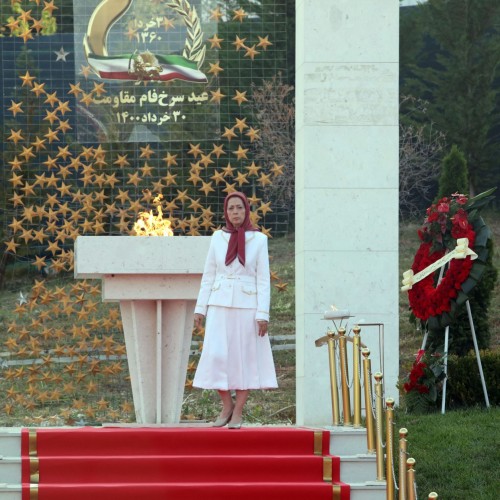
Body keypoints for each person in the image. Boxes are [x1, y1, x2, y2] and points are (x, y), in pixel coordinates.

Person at [193, 191, 278, 429]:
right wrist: (200, 309)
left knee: (245, 359)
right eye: (231, 208)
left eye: (239, 208)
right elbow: (208, 275)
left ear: (246, 210)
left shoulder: (258, 240)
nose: (235, 212)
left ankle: (238, 410)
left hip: (247, 306)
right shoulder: (217, 238)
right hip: (219, 304)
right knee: (216, 355)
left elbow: (263, 280)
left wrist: (263, 314)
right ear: (226, 212)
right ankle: (226, 404)